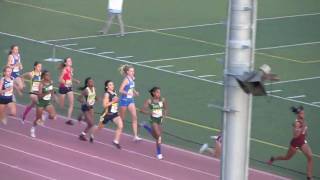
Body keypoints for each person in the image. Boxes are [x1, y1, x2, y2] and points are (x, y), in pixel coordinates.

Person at [267, 106, 313, 180]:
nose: (303, 114)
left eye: (303, 112)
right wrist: (301, 128)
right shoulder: (297, 123)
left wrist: (305, 133)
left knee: (310, 157)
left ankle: (309, 177)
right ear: (298, 114)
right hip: (295, 144)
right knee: (286, 158)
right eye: (302, 113)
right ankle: (273, 158)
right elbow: (295, 135)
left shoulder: (302, 120)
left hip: (302, 143)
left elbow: (304, 131)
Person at [140, 86, 168, 159]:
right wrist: (149, 112)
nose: (159, 93)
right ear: (153, 93)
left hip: (160, 120)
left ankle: (146, 126)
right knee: (158, 136)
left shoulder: (162, 100)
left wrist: (164, 116)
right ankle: (159, 153)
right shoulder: (149, 101)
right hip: (153, 120)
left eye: (159, 92)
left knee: (158, 137)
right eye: (157, 92)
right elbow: (141, 110)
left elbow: (165, 108)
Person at [96, 80, 123, 149]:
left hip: (114, 114)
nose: (112, 86)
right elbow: (104, 105)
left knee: (120, 125)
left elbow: (115, 102)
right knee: (99, 127)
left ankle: (116, 141)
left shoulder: (114, 92)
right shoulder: (107, 94)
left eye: (112, 84)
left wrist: (117, 103)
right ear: (107, 86)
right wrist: (113, 101)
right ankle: (91, 133)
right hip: (106, 114)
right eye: (110, 85)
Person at [30, 70, 56, 138]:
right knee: (38, 119)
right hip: (41, 103)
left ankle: (45, 115)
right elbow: (39, 96)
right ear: (43, 76)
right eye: (47, 75)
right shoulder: (41, 84)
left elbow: (52, 90)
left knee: (53, 116)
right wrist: (47, 93)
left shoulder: (51, 82)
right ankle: (33, 129)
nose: (49, 76)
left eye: (49, 75)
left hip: (47, 102)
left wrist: (54, 97)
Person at [118, 64, 141, 141]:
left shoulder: (132, 78)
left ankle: (135, 136)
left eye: (133, 71)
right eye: (131, 71)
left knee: (134, 117)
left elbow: (131, 86)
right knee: (122, 118)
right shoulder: (126, 80)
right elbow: (120, 90)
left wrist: (135, 91)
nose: (133, 72)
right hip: (124, 100)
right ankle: (118, 133)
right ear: (127, 72)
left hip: (131, 100)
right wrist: (128, 93)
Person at [58, 57, 80, 125]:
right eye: (69, 61)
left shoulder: (71, 69)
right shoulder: (64, 70)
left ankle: (68, 119)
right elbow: (60, 80)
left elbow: (70, 77)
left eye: (71, 60)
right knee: (61, 105)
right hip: (63, 88)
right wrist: (65, 82)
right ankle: (54, 96)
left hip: (69, 88)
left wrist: (75, 81)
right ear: (65, 63)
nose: (70, 61)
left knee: (71, 104)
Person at [78, 77, 97, 142]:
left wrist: (96, 98)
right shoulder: (86, 90)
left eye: (92, 81)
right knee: (91, 123)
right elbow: (79, 98)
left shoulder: (94, 89)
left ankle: (82, 135)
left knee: (90, 124)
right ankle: (82, 118)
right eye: (90, 82)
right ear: (87, 84)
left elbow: (94, 96)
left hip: (91, 107)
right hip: (85, 108)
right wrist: (85, 102)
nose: (92, 82)